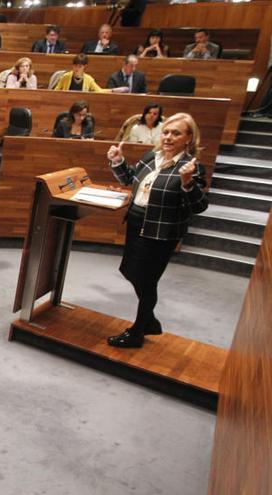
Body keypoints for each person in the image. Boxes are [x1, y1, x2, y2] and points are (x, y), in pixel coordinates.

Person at [105, 112, 208, 348]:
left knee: (148, 279)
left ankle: (137, 332)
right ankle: (149, 320)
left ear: (189, 138)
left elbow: (199, 205)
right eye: (166, 132)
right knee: (129, 270)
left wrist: (187, 182)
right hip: (136, 221)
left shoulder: (191, 167)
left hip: (162, 232)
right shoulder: (153, 155)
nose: (169, 137)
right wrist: (118, 161)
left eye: (176, 133)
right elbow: (129, 179)